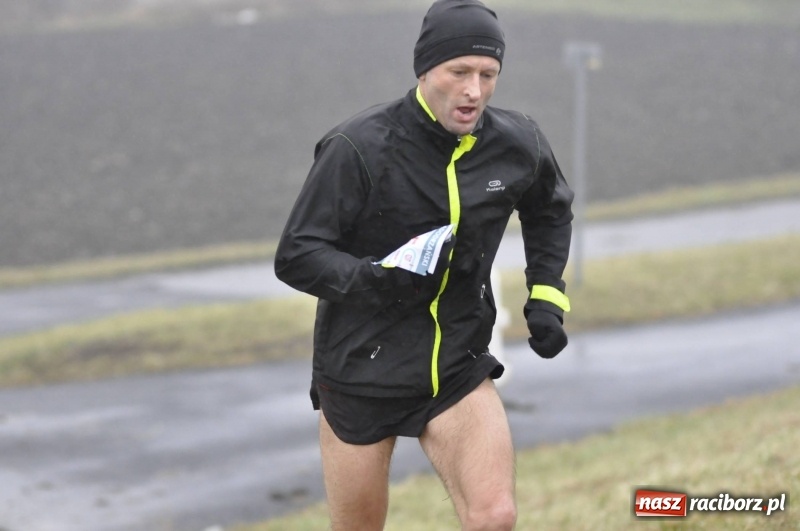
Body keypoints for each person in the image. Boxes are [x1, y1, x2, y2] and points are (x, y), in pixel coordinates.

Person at [274, 0, 573, 529]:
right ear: (425, 70)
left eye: (488, 74)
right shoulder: (359, 146)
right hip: (360, 368)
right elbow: (297, 255)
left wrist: (547, 296)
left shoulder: (515, 142)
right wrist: (377, 281)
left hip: (455, 361)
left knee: (495, 517)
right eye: (459, 72)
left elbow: (551, 210)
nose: (474, 91)